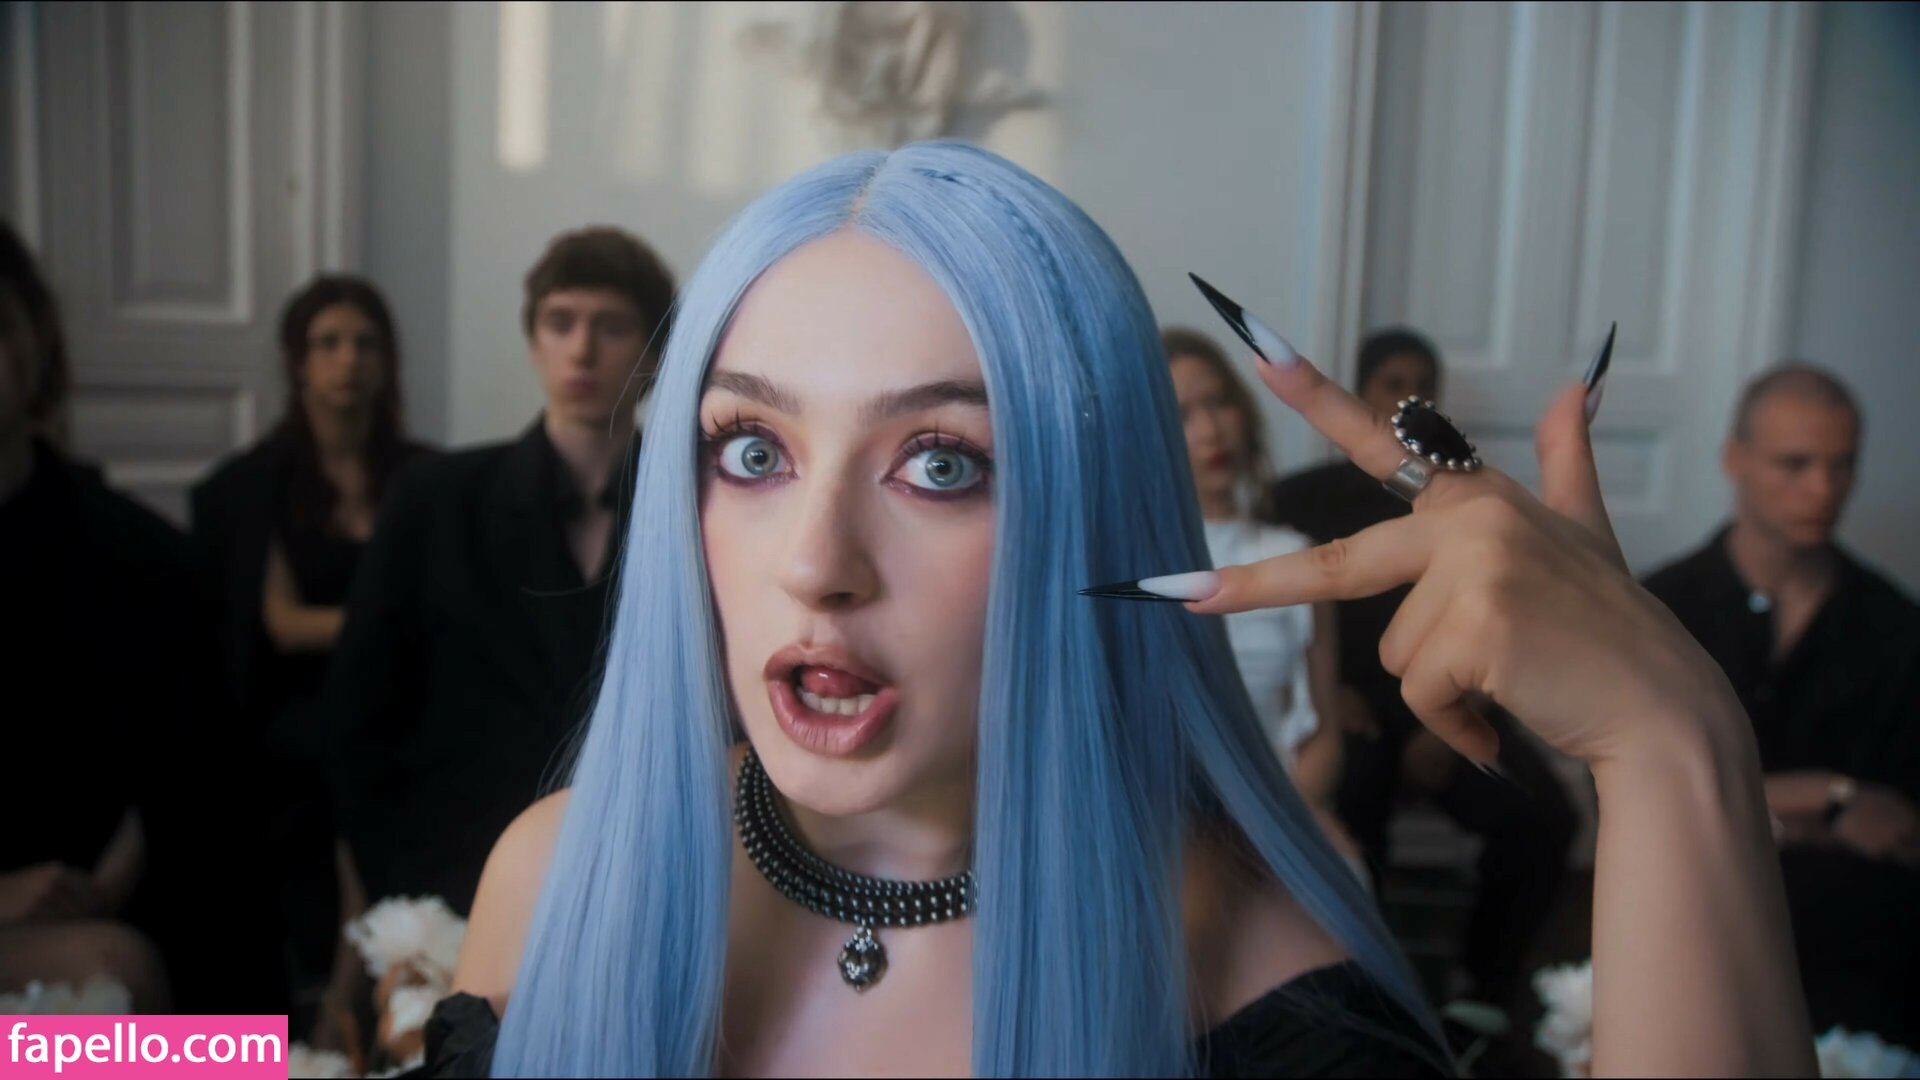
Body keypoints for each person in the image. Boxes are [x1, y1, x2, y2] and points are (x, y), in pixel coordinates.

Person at [415, 142, 1810, 1077]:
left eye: (941, 463)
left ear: (1089, 508)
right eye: (752, 452)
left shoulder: (1257, 983)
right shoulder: (558, 880)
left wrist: (1674, 741)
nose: (816, 564)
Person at [327, 227, 675, 916]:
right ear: (534, 341)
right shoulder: (434, 498)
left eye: (611, 327)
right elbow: (359, 709)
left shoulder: (698, 507)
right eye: (560, 323)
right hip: (457, 872)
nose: (581, 350)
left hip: (641, 870)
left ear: (655, 353)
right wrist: (402, 889)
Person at [0, 220, 280, 1014]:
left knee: (151, 997)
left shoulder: (142, 557)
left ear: (35, 343)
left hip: (114, 925)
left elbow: (196, 781)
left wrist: (109, 877)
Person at [1264, 328, 1577, 1011]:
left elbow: (1511, 621)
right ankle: (1367, 990)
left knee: (1542, 815)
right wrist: (1327, 695)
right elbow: (1272, 617)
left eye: (1424, 387)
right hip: (1353, 713)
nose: (1410, 399)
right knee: (1352, 796)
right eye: (1393, 384)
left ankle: (1483, 995)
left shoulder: (1472, 505)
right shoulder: (1299, 500)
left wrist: (1455, 722)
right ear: (1360, 391)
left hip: (1454, 707)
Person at [1644, 363, 1920, 1047]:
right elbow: (1646, 792)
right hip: (1690, 907)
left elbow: (1894, 824)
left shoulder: (1895, 626)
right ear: (1735, 460)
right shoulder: (1662, 608)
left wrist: (1758, 807)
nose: (1822, 489)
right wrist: (1829, 795)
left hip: (1856, 943)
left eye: (1841, 465)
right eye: (1795, 464)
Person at [191, 275, 431, 1022]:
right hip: (294, 710)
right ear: (298, 361)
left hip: (402, 699)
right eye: (327, 343)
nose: (348, 359)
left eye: (365, 343)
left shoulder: (425, 478)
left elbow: (442, 612)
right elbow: (282, 624)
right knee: (332, 765)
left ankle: (376, 1006)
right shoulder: (257, 483)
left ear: (388, 360)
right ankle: (322, 1006)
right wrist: (385, 622)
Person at [1162, 328, 1350, 830]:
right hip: (1164, 825)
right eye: (1181, 415)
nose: (1210, 432)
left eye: (1218, 403)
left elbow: (1325, 738)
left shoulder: (1295, 556)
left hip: (1280, 814)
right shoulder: (1125, 562)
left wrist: (1280, 833)